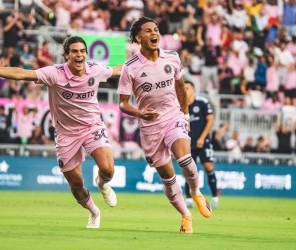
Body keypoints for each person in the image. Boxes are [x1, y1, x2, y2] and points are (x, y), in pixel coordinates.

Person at [0, 36, 122, 229]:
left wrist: (145, 64)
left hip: (91, 127)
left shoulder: (95, 70)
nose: (79, 54)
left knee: (108, 169)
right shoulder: (54, 74)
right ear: (67, 55)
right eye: (74, 51)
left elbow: (117, 70)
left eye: (82, 51)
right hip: (66, 134)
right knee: (76, 185)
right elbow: (22, 73)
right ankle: (94, 212)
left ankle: (102, 183)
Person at [117, 17, 212, 234]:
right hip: (150, 128)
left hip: (173, 117)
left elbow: (180, 86)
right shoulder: (130, 68)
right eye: (148, 30)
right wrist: (140, 112)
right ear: (138, 37)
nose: (154, 33)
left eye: (156, 30)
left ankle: (196, 192)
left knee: (185, 158)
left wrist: (185, 114)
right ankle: (186, 216)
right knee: (168, 179)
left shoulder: (172, 57)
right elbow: (122, 104)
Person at [184, 81, 219, 209]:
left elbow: (210, 120)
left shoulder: (202, 102)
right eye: (183, 88)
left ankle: (215, 196)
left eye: (187, 88)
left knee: (208, 167)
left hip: (203, 142)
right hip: (188, 144)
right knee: (189, 171)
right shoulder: (181, 105)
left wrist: (202, 138)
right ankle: (188, 197)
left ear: (193, 90)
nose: (185, 90)